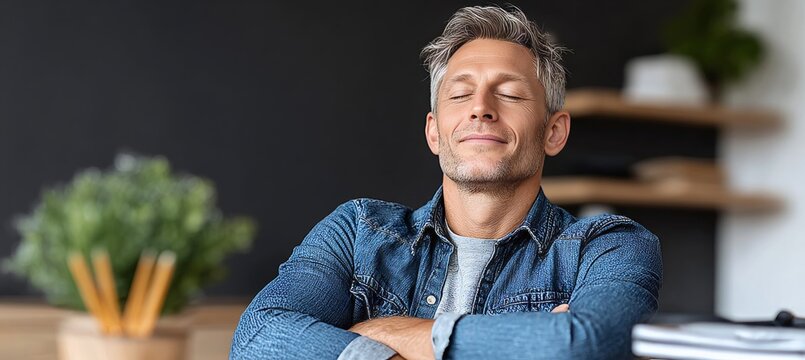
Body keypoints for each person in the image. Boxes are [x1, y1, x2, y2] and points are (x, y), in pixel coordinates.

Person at [230, 5, 662, 360]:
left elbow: (587, 344)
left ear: (554, 132)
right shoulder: (358, 232)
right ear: (434, 132)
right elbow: (256, 338)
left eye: (509, 94)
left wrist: (396, 334)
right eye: (459, 94)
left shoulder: (609, 246)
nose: (481, 108)